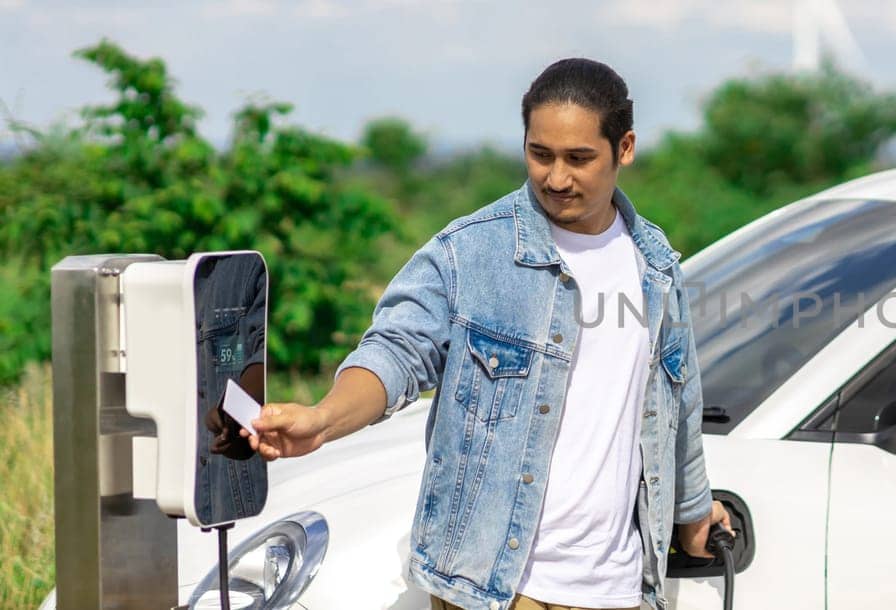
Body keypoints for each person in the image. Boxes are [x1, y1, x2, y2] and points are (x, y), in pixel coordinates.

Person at [245, 58, 730, 610]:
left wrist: (692, 515)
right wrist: (324, 418)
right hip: (493, 591)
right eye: (539, 154)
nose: (556, 177)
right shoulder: (469, 252)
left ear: (625, 149)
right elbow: (396, 351)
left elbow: (679, 402)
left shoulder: (656, 266)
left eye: (579, 158)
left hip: (618, 590)